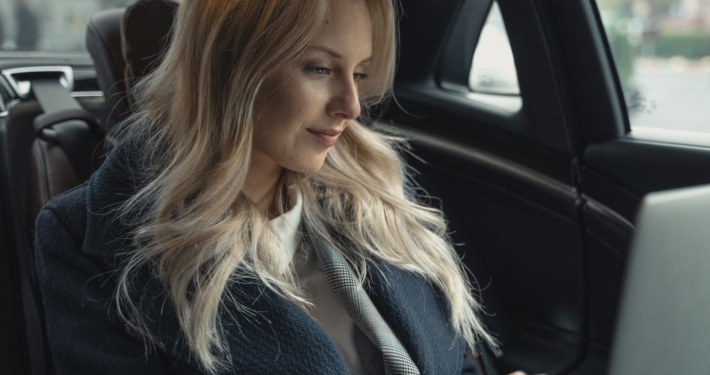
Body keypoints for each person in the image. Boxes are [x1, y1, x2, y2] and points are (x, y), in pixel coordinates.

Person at [35, 0, 540, 374]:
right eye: (319, 68)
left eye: (359, 73)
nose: (351, 105)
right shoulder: (85, 240)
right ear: (233, 66)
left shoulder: (372, 197)